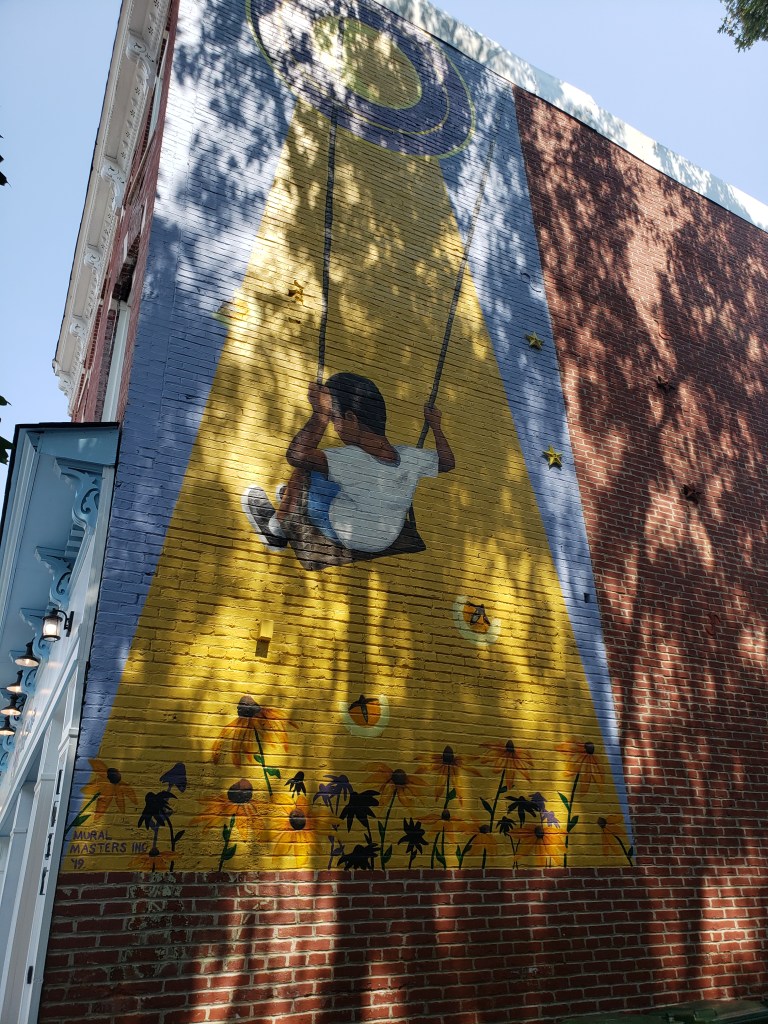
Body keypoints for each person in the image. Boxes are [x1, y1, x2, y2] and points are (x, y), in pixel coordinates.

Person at [243, 372, 455, 553]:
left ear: (351, 419)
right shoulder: (410, 456)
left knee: (306, 468)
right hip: (385, 535)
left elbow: (297, 455)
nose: (335, 428)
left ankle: (276, 529)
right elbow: (447, 462)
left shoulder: (352, 459)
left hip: (348, 533)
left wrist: (320, 414)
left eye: (335, 419)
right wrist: (436, 425)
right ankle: (298, 498)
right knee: (333, 474)